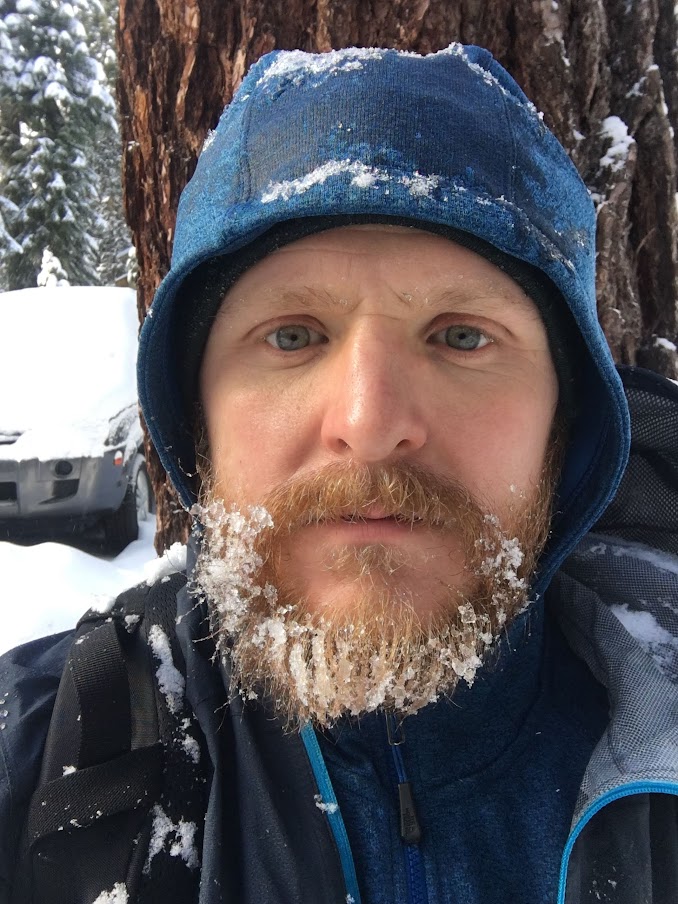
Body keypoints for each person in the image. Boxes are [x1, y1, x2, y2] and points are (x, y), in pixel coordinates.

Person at [2, 43, 678, 904]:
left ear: (567, 424)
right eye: (292, 336)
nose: (368, 424)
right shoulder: (34, 757)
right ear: (193, 416)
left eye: (462, 336)